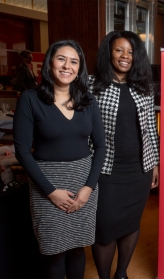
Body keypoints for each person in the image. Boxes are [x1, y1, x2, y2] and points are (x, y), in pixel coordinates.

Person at [13, 40, 106, 278]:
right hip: (47, 184)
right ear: (50, 63)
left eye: (74, 61)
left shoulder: (88, 100)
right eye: (61, 59)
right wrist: (50, 191)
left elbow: (101, 146)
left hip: (83, 183)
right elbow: (22, 150)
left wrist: (88, 188)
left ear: (80, 68)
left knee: (77, 248)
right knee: (53, 251)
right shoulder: (30, 99)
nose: (67, 66)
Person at [89, 30, 160, 279]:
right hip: (105, 170)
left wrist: (155, 164)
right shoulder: (92, 85)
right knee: (104, 228)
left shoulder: (144, 88)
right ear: (108, 53)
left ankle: (121, 273)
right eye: (119, 50)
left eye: (130, 52)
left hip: (139, 170)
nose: (124, 56)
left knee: (131, 224)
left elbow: (151, 128)